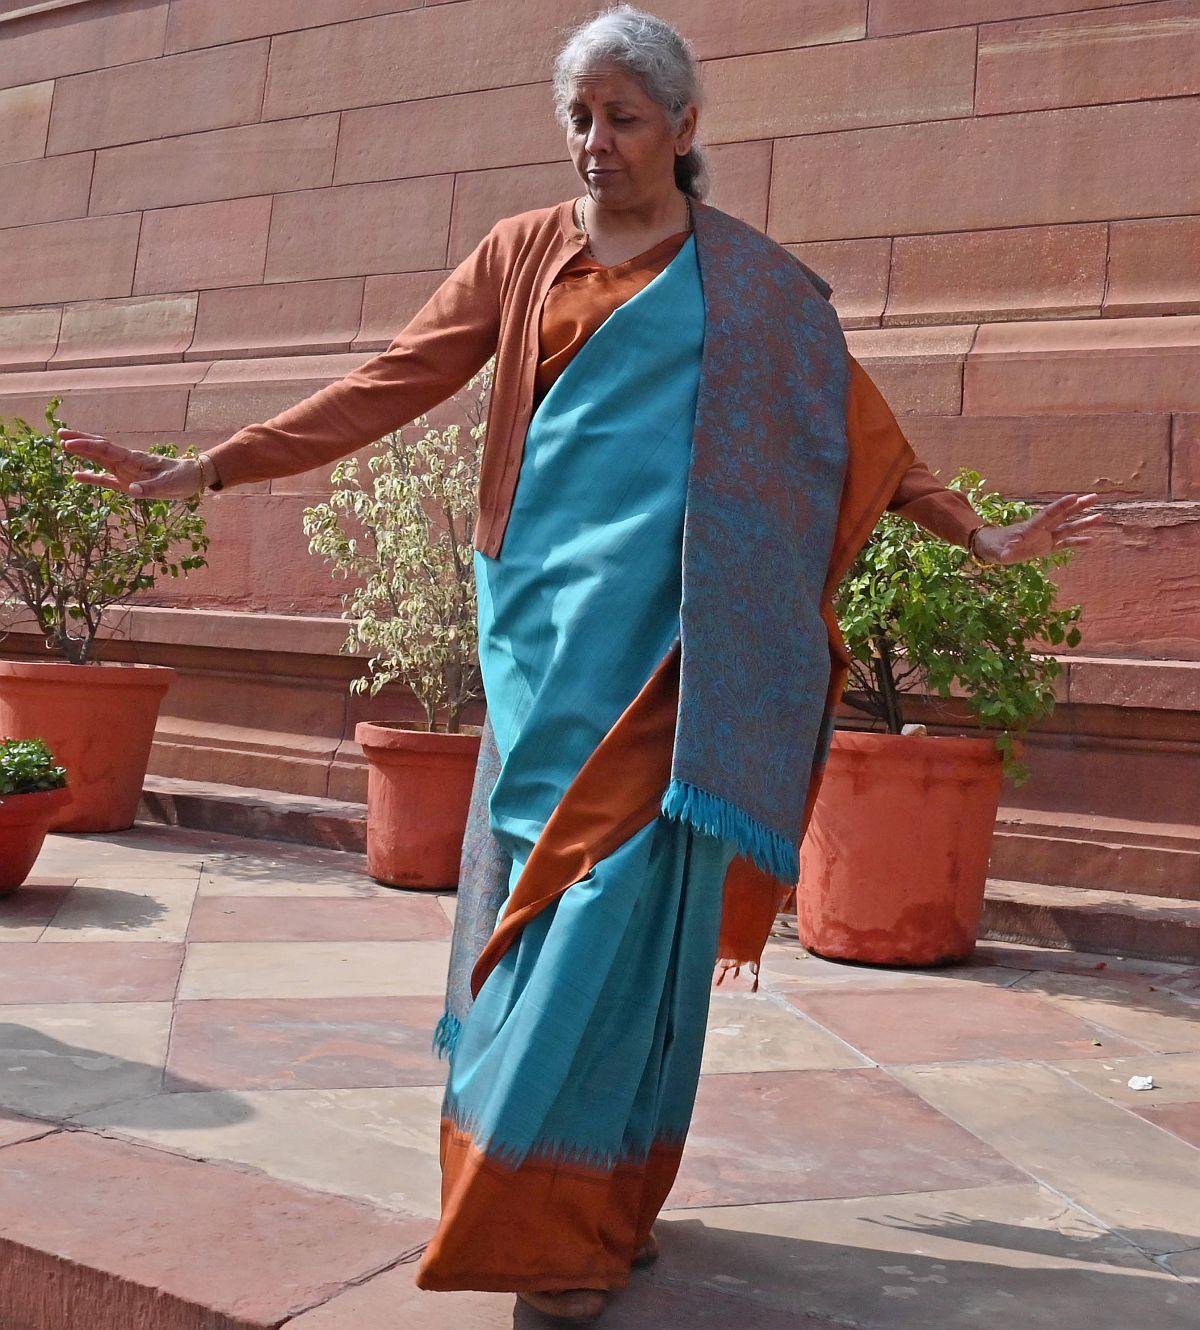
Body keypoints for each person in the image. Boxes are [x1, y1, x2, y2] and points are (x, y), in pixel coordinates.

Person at [60, 6, 1103, 1321]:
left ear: (683, 126)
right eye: (579, 117)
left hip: (675, 658)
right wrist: (209, 463)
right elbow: (387, 383)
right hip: (538, 648)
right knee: (532, 920)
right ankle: (573, 1194)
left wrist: (981, 531)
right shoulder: (518, 258)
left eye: (621, 116)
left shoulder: (756, 289)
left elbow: (863, 436)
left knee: (623, 924)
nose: (595, 143)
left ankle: (565, 1218)